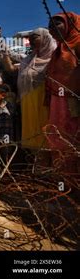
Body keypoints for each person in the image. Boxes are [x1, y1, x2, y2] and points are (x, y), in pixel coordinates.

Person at [0, 28, 57, 149]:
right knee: (33, 136)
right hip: (28, 101)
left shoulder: (56, 56)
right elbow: (9, 54)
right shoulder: (28, 59)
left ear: (46, 37)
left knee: (47, 134)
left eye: (34, 37)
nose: (30, 41)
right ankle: (39, 163)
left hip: (46, 101)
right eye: (29, 39)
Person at [45, 12, 80, 180]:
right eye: (49, 26)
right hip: (57, 102)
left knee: (73, 140)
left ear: (71, 24)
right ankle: (63, 180)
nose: (51, 29)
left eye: (56, 24)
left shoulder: (78, 44)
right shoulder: (58, 50)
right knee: (57, 138)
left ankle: (74, 182)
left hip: (73, 100)